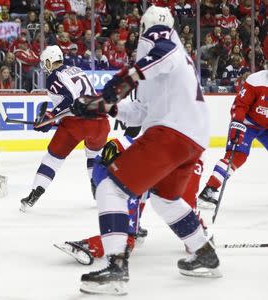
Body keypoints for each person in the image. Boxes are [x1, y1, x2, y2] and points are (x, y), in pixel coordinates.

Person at [71, 6, 220, 295]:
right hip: (191, 137)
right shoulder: (166, 69)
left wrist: (114, 88)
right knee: (165, 199)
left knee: (110, 189)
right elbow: (140, 111)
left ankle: (115, 268)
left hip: (172, 132)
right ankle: (204, 253)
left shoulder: (161, 40)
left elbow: (161, 49)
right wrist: (106, 107)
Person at [55, 135, 207, 265]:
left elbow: (185, 203)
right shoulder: (133, 152)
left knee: (129, 232)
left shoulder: (186, 159)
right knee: (135, 193)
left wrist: (196, 235)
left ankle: (106, 242)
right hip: (146, 165)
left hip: (177, 159)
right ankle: (133, 230)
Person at [20, 45, 110, 211]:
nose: (43, 66)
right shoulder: (76, 69)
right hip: (100, 122)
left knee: (53, 158)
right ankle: (97, 189)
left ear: (49, 61)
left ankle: (35, 193)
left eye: (44, 62)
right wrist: (51, 120)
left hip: (77, 123)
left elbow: (69, 100)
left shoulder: (53, 76)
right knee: (94, 155)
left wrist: (49, 117)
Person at [198, 69, 268, 208]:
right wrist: (237, 125)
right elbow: (240, 105)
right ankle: (208, 191)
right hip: (247, 123)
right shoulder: (256, 80)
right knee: (236, 156)